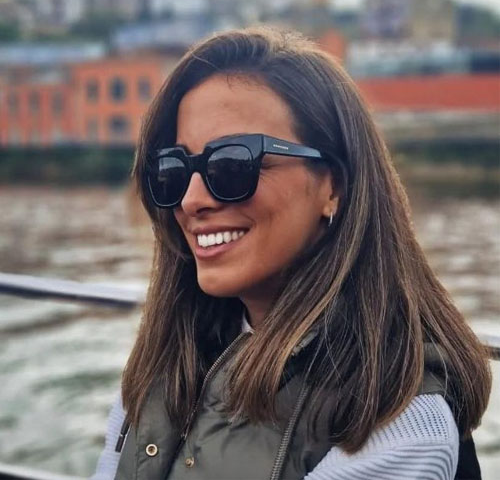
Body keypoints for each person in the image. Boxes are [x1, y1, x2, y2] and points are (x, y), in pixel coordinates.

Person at [93, 27, 491, 480]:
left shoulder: (397, 420)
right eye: (174, 169)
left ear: (333, 186)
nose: (191, 200)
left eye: (233, 164)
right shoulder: (165, 358)